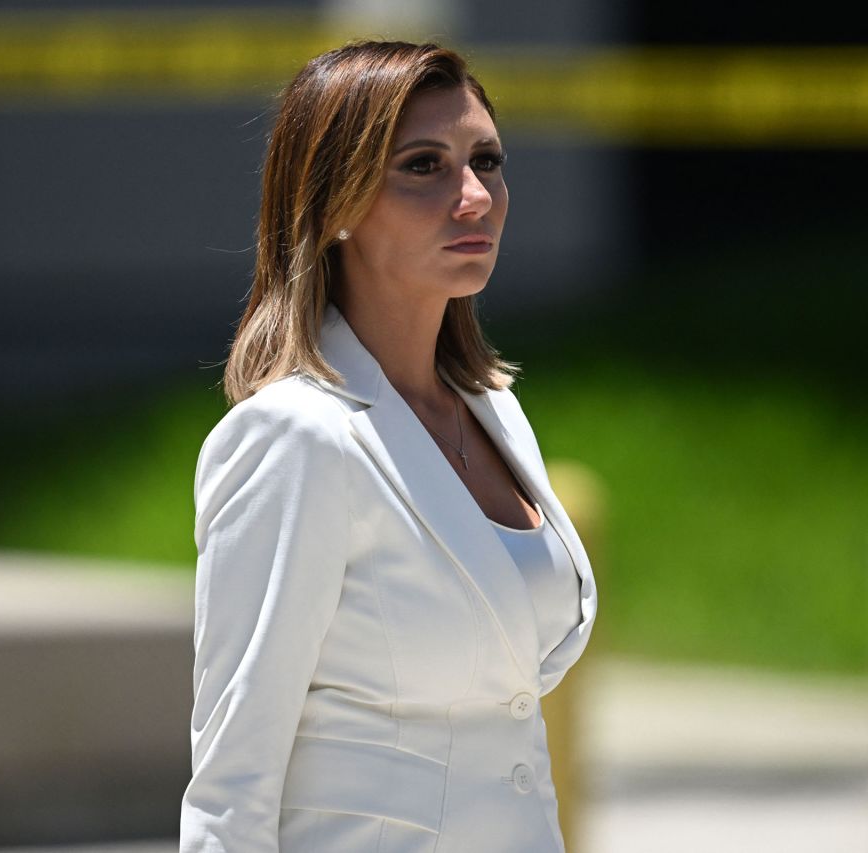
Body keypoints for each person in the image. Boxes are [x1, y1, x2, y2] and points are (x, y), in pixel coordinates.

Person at [180, 40, 597, 853]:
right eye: (423, 166)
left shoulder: (497, 413)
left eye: (487, 159)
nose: (474, 195)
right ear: (335, 202)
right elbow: (231, 785)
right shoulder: (295, 437)